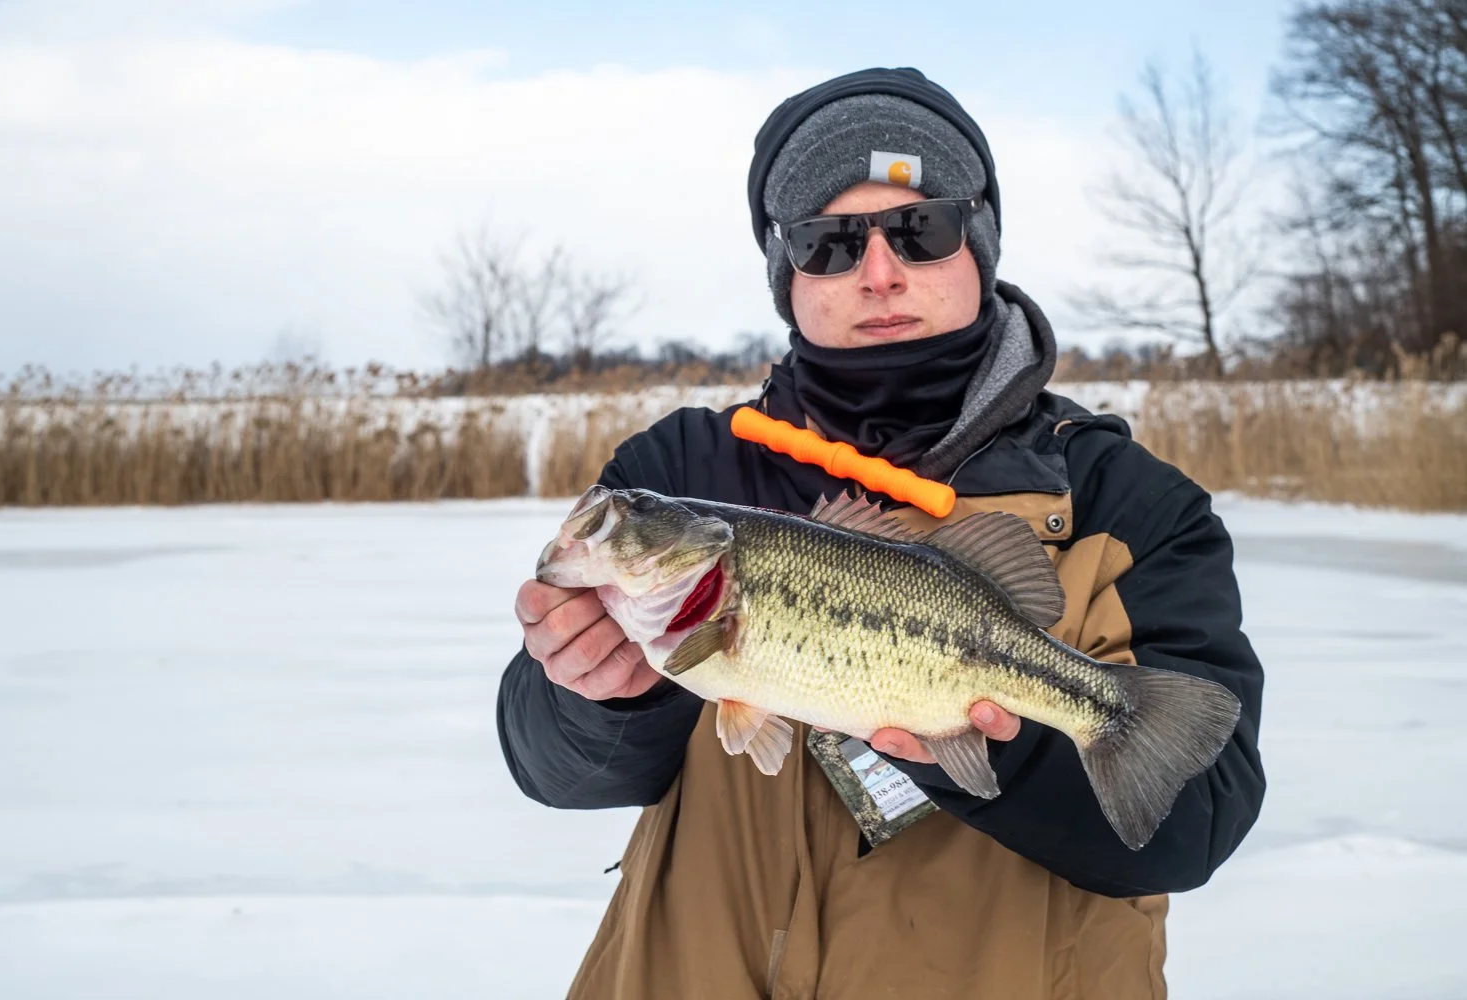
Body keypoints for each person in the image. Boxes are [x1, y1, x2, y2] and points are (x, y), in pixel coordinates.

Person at [497, 66, 1265, 1000]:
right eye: (828, 243)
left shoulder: (1129, 503)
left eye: (922, 227)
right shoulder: (683, 475)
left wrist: (995, 746)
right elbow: (557, 774)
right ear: (786, 273)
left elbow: (1193, 824)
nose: (880, 271)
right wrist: (592, 698)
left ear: (977, 244)